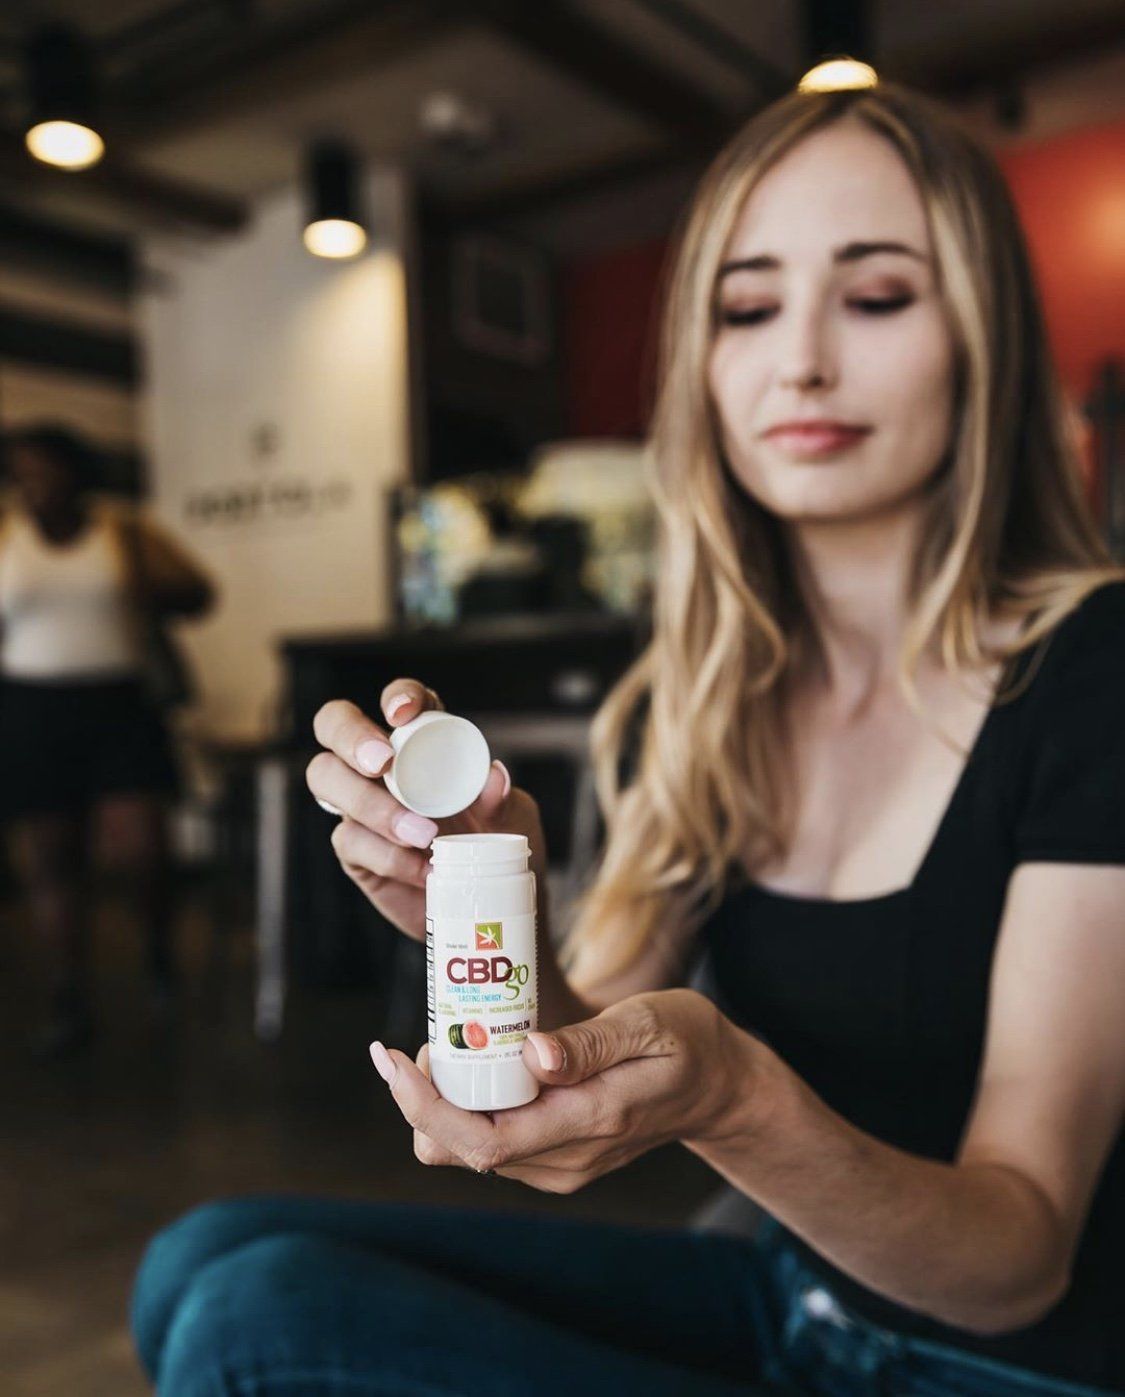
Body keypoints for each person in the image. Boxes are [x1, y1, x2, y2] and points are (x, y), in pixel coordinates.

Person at [132, 79, 1125, 1396]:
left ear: (980, 336)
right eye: (747, 307)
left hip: (1016, 1368)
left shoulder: (1092, 670)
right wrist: (481, 904)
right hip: (801, 1304)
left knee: (254, 1323)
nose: (800, 360)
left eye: (878, 295)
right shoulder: (703, 691)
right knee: (198, 1254)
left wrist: (737, 1099)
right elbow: (576, 1052)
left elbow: (1018, 1263)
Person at [0, 424, 215, 1058]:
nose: (35, 481)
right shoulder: (7, 536)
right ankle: (69, 995)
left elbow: (199, 592)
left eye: (46, 467)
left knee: (143, 847)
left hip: (119, 706)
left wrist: (149, 589)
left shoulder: (123, 532)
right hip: (31, 709)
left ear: (76, 471)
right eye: (23, 471)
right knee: (51, 857)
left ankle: (158, 956)